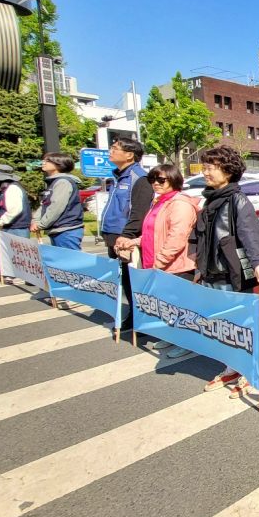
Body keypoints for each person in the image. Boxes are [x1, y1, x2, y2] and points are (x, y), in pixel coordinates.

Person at [195, 146, 259, 398]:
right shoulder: (209, 200)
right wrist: (199, 268)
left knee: (242, 326)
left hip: (231, 275)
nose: (205, 171)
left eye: (210, 167)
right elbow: (202, 239)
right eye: (204, 166)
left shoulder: (237, 200)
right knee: (222, 326)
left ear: (228, 171)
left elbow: (251, 235)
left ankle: (251, 372)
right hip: (211, 273)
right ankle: (232, 367)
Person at [115, 164, 199, 359]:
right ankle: (172, 336)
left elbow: (176, 238)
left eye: (161, 180)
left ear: (174, 179)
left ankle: (185, 341)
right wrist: (133, 242)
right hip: (158, 264)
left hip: (177, 265)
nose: (156, 183)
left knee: (181, 308)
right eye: (153, 179)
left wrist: (159, 262)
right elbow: (153, 234)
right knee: (167, 306)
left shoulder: (180, 204)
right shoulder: (159, 202)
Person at [100, 138, 153, 331]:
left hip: (125, 239)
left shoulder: (139, 178)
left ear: (130, 154)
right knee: (123, 280)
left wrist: (128, 236)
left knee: (133, 282)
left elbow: (138, 212)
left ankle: (138, 320)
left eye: (115, 148)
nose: (110, 152)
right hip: (113, 236)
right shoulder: (117, 177)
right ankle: (132, 316)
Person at [30, 153, 84, 250]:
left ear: (59, 164)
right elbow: (45, 204)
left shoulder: (62, 182)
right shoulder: (54, 182)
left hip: (66, 230)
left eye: (48, 161)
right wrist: (36, 221)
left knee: (70, 262)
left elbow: (56, 207)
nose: (43, 163)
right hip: (58, 230)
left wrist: (41, 224)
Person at [0, 164, 32, 238]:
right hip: (13, 227)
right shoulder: (6, 187)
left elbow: (14, 210)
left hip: (16, 228)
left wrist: (1, 221)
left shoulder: (12, 188)